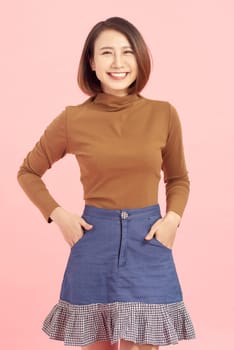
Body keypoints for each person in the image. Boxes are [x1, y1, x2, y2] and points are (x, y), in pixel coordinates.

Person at [17, 16, 196, 350]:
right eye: (107, 53)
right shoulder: (73, 119)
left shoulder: (164, 114)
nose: (118, 63)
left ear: (139, 59)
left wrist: (172, 219)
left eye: (127, 52)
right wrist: (59, 215)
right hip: (94, 240)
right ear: (92, 62)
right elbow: (28, 172)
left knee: (142, 345)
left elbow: (178, 178)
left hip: (148, 239)